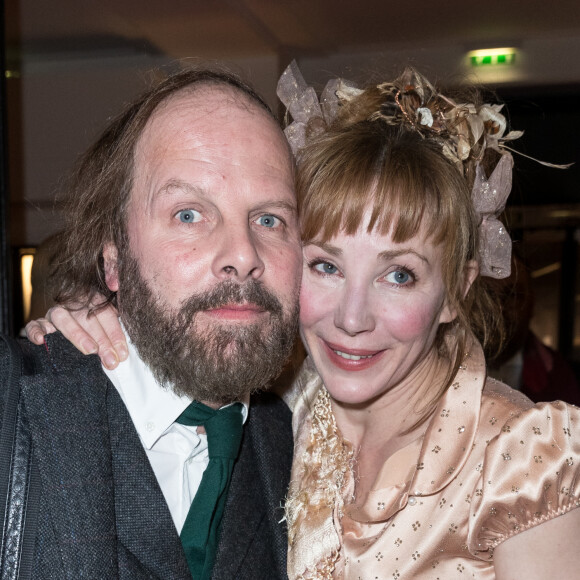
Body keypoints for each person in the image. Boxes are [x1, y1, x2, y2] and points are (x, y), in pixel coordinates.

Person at [28, 65, 580, 579]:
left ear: (457, 290)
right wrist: (94, 314)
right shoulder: (289, 405)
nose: (352, 317)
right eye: (325, 265)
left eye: (400, 276)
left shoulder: (526, 460)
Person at [4, 66, 302, 579]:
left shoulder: (290, 440)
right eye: (188, 214)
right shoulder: (15, 409)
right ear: (114, 259)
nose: (242, 254)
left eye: (269, 219)